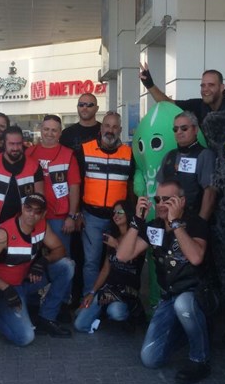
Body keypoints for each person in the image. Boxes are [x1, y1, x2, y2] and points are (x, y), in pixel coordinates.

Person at [116, 180, 212, 384]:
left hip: (196, 295)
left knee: (183, 304)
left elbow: (196, 257)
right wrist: (136, 222)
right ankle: (190, 332)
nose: (160, 204)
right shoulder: (155, 226)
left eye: (167, 200)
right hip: (169, 296)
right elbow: (123, 255)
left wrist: (175, 223)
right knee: (150, 359)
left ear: (181, 201)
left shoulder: (195, 223)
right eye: (157, 199)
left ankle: (200, 359)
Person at [0, 193, 75, 345]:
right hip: (5, 289)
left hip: (26, 281)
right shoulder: (3, 233)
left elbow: (60, 249)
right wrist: (5, 288)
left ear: (44, 214)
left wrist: (43, 261)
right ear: (22, 209)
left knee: (67, 266)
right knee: (25, 337)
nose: (32, 214)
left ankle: (46, 318)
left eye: (37, 211)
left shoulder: (42, 226)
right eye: (28, 209)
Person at [77, 111, 134, 297]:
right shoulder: (85, 150)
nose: (110, 130)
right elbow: (76, 184)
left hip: (118, 218)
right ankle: (89, 301)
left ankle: (114, 299)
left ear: (120, 130)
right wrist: (77, 212)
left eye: (115, 127)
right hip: (92, 217)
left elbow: (132, 186)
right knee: (91, 262)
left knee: (119, 259)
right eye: (107, 126)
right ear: (101, 128)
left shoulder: (129, 153)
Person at [73, 200, 144, 333]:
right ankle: (102, 311)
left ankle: (128, 315)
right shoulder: (113, 236)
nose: (116, 215)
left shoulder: (138, 237)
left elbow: (130, 258)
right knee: (79, 323)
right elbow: (106, 269)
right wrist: (92, 292)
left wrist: (116, 244)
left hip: (126, 292)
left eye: (120, 212)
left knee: (115, 311)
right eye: (114, 212)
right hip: (107, 291)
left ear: (128, 213)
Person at [25, 114, 81, 255]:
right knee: (33, 257)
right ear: (41, 129)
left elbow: (74, 187)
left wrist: (72, 216)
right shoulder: (29, 153)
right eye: (46, 129)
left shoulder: (68, 155)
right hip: (33, 215)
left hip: (59, 218)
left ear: (60, 133)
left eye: (54, 130)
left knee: (61, 257)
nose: (49, 133)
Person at [0, 125, 44, 241]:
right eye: (11, 144)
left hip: (25, 223)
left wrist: (34, 219)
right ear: (4, 144)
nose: (15, 148)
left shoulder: (34, 165)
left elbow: (40, 196)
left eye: (18, 144)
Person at [138, 63, 225, 124]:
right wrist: (149, 84)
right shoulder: (197, 106)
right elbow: (167, 103)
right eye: (203, 85)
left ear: (222, 87)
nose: (205, 89)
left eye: (211, 85)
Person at [156, 111, 216, 222]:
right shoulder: (169, 155)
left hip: (192, 220)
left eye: (184, 128)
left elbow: (210, 194)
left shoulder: (205, 155)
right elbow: (160, 194)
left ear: (195, 129)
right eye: (175, 129)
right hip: (168, 221)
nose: (179, 132)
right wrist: (158, 222)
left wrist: (200, 224)